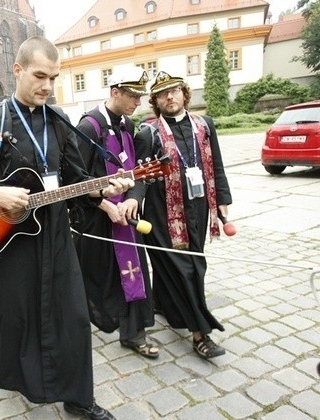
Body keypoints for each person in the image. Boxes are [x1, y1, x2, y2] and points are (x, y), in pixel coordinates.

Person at [0, 36, 133, 420]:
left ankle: (79, 398)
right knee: (17, 317)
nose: (47, 86)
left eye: (54, 78)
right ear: (18, 70)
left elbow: (77, 176)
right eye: (40, 76)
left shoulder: (58, 120)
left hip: (56, 235)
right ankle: (18, 379)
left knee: (73, 316)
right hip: (8, 241)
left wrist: (105, 190)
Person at [132, 71, 232, 359]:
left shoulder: (205, 126)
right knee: (188, 269)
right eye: (163, 94)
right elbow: (140, 175)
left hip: (198, 208)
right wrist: (133, 201)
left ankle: (163, 303)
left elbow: (218, 166)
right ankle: (201, 334)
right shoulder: (149, 133)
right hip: (162, 212)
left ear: (184, 94)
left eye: (174, 91)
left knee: (192, 262)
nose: (170, 97)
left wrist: (223, 201)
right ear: (155, 101)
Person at [71, 68, 158, 358]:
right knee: (96, 280)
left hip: (126, 219)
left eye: (140, 96)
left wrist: (133, 198)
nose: (138, 101)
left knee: (135, 273)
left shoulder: (127, 125)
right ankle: (76, 328)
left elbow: (136, 173)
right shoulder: (88, 128)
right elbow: (74, 181)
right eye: (132, 95)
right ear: (115, 93)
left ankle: (134, 333)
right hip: (99, 220)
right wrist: (105, 205)